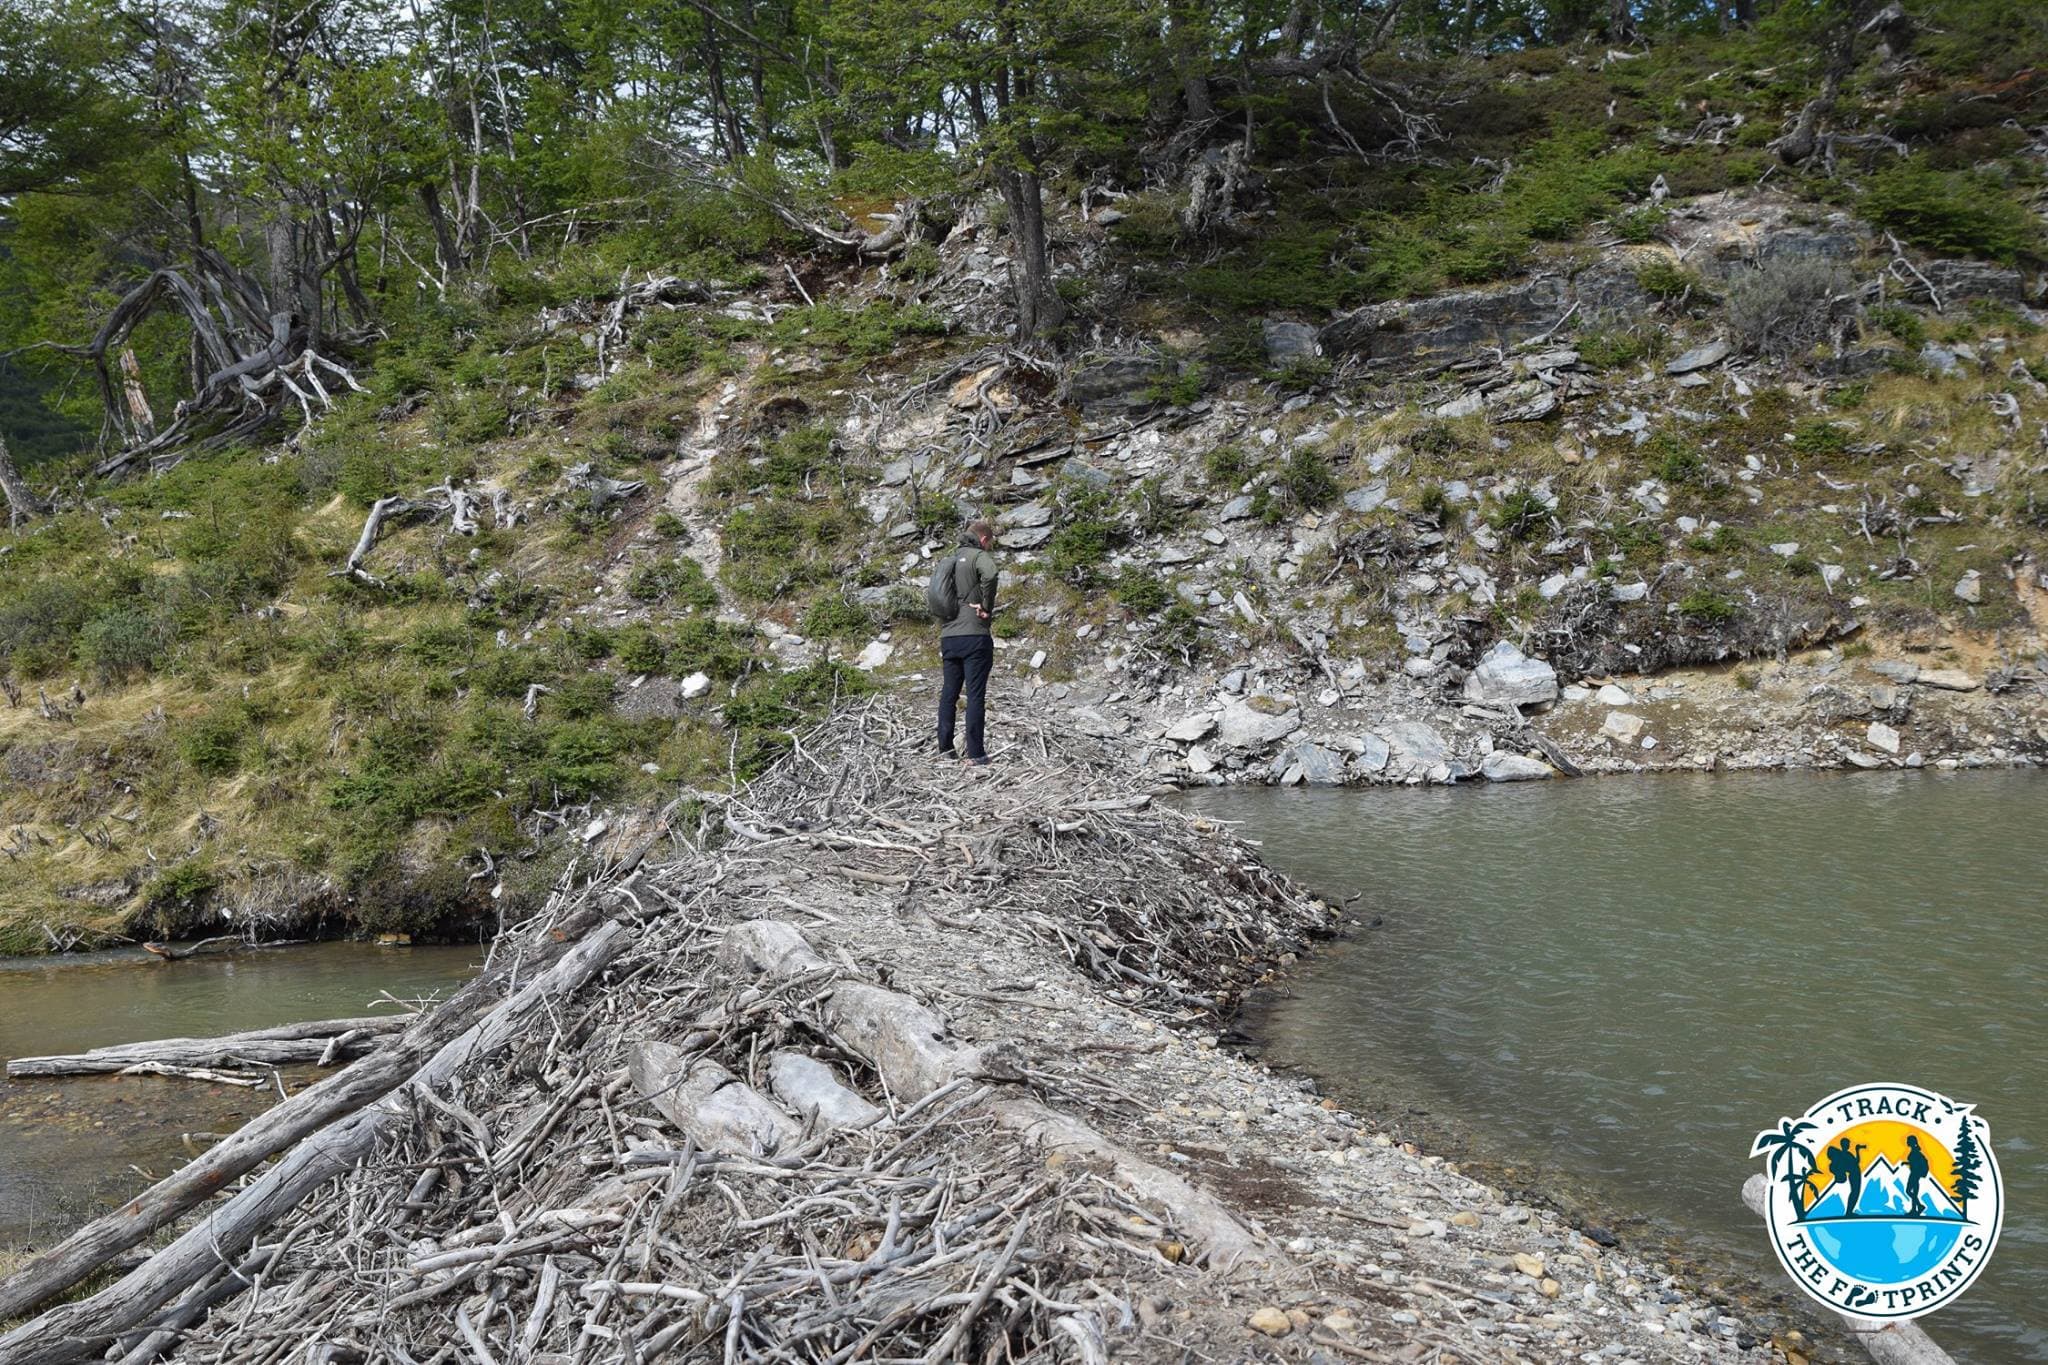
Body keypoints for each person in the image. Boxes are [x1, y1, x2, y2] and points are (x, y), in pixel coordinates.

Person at [936, 520, 998, 765]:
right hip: (974, 636)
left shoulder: (949, 560)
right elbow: (991, 574)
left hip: (948, 636)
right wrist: (986, 606)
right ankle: (976, 754)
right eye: (990, 543)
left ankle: (945, 749)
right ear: (984, 540)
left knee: (949, 693)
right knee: (975, 695)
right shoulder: (977, 556)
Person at [1825, 1137, 1864, 1217]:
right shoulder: (1845, 1155)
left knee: (1854, 1193)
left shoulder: (1845, 1154)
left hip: (1854, 1174)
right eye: (1847, 1144)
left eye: (1848, 1144)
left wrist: (1857, 1150)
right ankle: (1849, 1212)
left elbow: (1854, 1163)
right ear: (1844, 1145)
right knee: (1855, 1193)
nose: (1848, 1145)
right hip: (1854, 1174)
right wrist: (1857, 1150)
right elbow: (1856, 1162)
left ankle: (1849, 1212)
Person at [1904, 1135, 1930, 1216]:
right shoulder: (1914, 1151)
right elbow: (1914, 1162)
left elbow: (1916, 1163)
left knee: (1909, 1191)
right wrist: (1907, 1163)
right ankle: (1916, 1208)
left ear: (1911, 1142)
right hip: (1915, 1174)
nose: (1906, 1142)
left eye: (1908, 1140)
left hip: (1915, 1174)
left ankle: (1917, 1207)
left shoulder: (1915, 1151)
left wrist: (1909, 1163)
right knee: (1913, 1192)